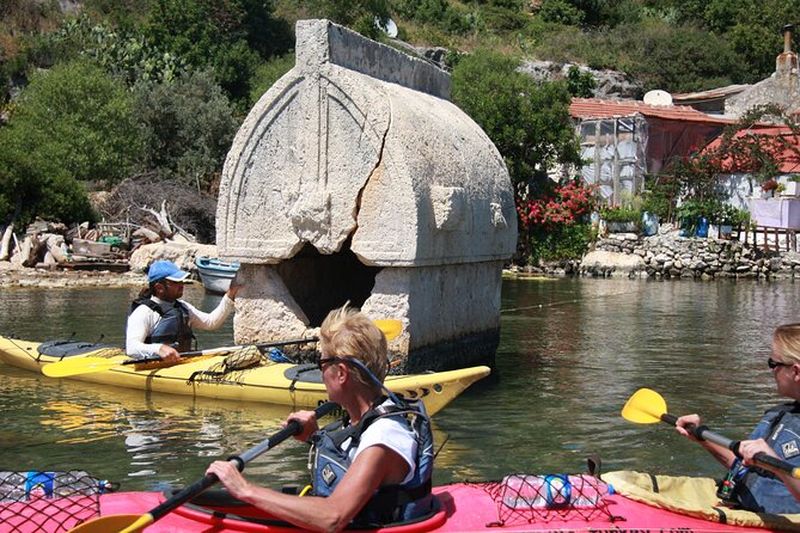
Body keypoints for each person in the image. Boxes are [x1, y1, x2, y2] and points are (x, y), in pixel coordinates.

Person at [206, 305, 434, 532]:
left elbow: (333, 518)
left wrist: (245, 489)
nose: (321, 372)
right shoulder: (363, 420)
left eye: (322, 363)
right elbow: (350, 460)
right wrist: (314, 437)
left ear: (341, 373)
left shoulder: (384, 435)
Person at [675, 323, 800, 514]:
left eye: (773, 364)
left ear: (796, 371)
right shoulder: (778, 415)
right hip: (742, 510)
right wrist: (702, 437)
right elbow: (743, 465)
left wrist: (776, 463)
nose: (771, 370)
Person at [126, 260, 239, 362]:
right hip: (153, 366)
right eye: (176, 282)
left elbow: (211, 322)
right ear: (159, 287)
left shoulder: (183, 307)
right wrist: (159, 348)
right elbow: (132, 348)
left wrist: (230, 294)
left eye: (181, 281)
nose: (181, 285)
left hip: (182, 364)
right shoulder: (143, 312)